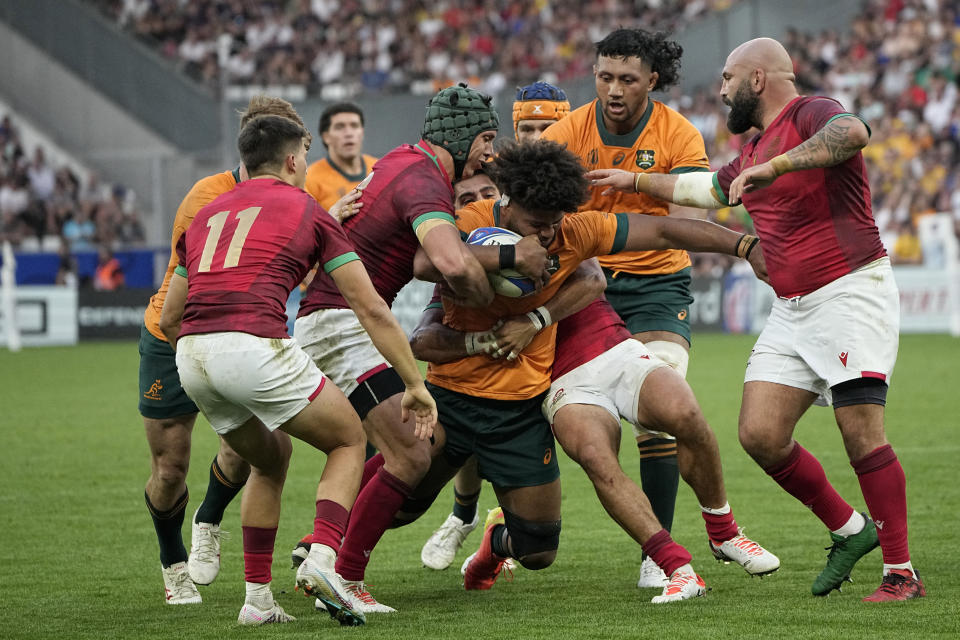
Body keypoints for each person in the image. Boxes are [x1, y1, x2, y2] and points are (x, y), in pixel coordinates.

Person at [588, 37, 923, 602]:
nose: (720, 90)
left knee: (861, 433)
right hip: (793, 307)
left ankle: (901, 572)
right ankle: (850, 529)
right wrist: (637, 182)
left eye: (726, 79)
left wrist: (779, 165)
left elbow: (855, 133)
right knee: (760, 435)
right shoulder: (752, 148)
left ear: (758, 80)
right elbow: (708, 189)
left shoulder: (809, 113)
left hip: (848, 290)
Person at [406, 140, 768, 598]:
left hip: (596, 351)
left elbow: (660, 235)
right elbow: (426, 280)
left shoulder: (573, 230)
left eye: (555, 223)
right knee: (405, 502)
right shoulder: (467, 239)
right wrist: (507, 260)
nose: (548, 235)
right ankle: (352, 539)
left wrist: (744, 243)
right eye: (538, 225)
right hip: (502, 391)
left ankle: (718, 534)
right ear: (505, 203)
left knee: (684, 412)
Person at [159, 115, 437, 625]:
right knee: (349, 440)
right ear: (292, 159)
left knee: (270, 460)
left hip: (192, 356)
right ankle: (325, 558)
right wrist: (415, 384)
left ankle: (258, 603)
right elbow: (371, 308)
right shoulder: (309, 209)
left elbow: (171, 315)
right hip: (254, 345)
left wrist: (206, 357)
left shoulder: (206, 214)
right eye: (305, 156)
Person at [290, 84, 551, 613]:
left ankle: (322, 549)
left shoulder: (398, 162)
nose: (488, 153)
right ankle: (344, 575)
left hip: (332, 320)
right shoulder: (425, 181)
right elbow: (449, 263)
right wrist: (500, 278)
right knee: (410, 451)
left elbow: (422, 259)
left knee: (399, 449)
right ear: (459, 138)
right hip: (343, 322)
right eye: (484, 139)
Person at [541, 28, 711, 588]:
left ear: (652, 82)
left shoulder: (677, 132)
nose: (613, 89)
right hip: (586, 286)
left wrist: (634, 178)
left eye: (627, 79)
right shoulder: (569, 131)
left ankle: (656, 556)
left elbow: (701, 196)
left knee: (661, 411)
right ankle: (488, 521)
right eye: (604, 77)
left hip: (657, 285)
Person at [137, 95, 305, 605]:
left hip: (241, 334)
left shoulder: (296, 192)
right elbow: (188, 277)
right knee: (170, 466)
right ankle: (172, 561)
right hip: (174, 334)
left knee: (244, 445)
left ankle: (207, 519)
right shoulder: (206, 195)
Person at [420, 81, 572, 572]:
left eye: (546, 126)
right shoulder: (468, 207)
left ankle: (487, 529)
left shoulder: (559, 191)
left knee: (541, 548)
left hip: (545, 340)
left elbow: (592, 271)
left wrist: (539, 316)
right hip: (466, 370)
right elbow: (426, 297)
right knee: (415, 474)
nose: (536, 136)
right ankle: (461, 513)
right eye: (526, 126)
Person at [304, 102, 379, 211]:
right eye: (339, 127)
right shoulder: (310, 180)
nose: (349, 133)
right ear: (326, 137)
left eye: (354, 126)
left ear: (362, 133)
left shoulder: (379, 170)